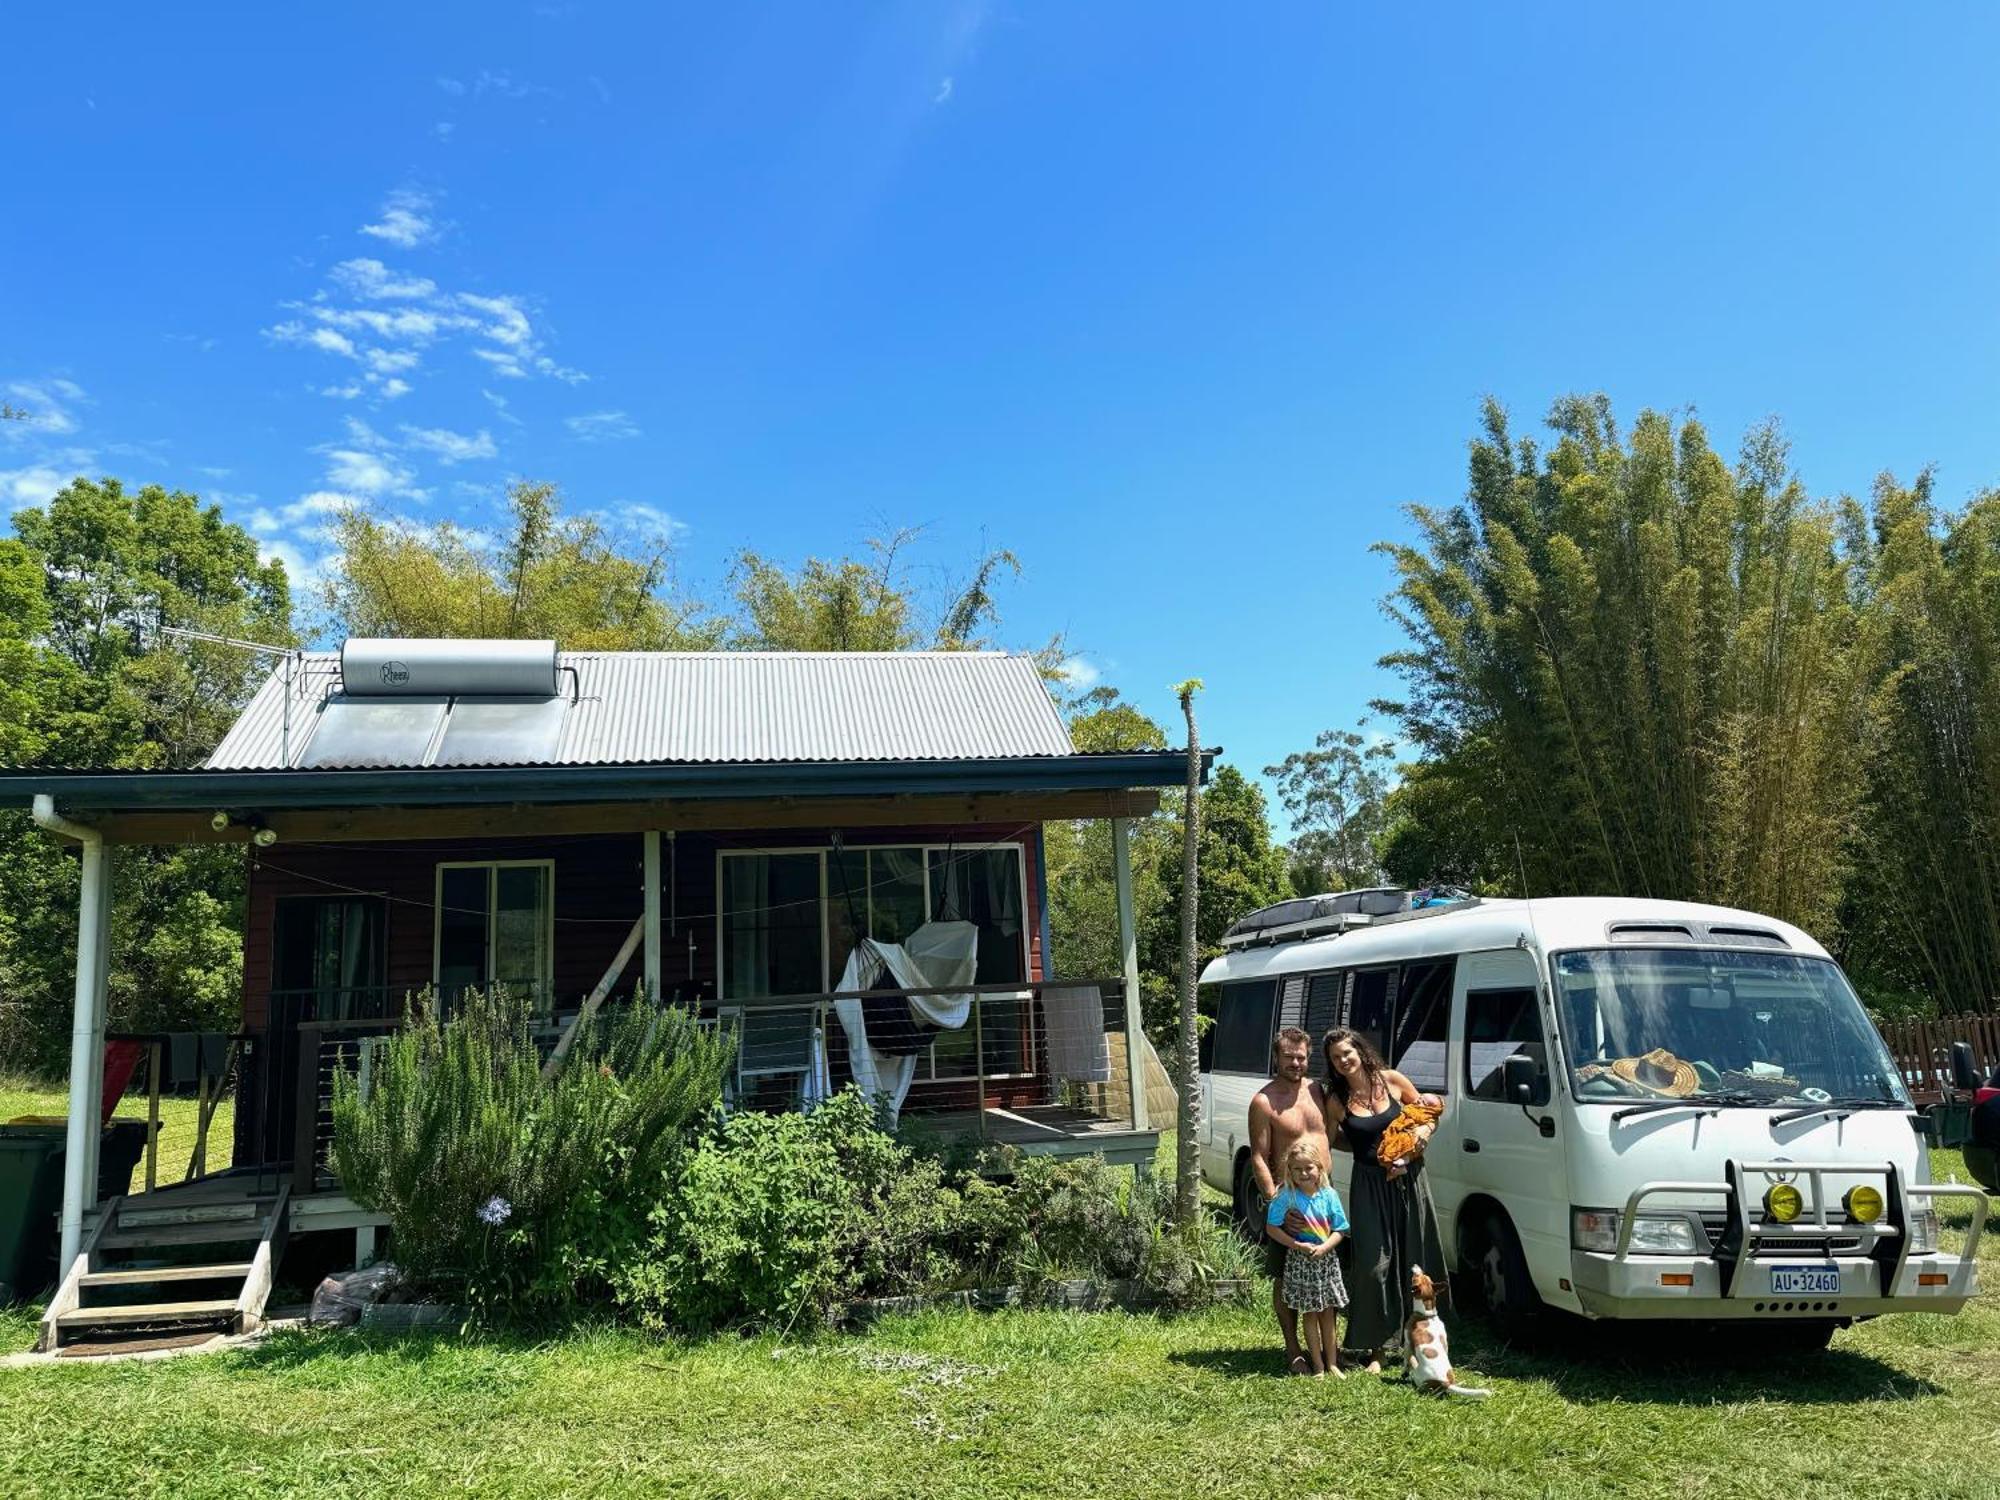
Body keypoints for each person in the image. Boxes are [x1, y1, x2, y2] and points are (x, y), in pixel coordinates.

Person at [1321, 1026, 1447, 1373]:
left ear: (1360, 1050)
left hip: (1409, 1178)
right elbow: (1329, 1142)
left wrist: (1420, 1137)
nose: (1343, 1060)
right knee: (1373, 1267)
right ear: (1331, 1064)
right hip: (1369, 1185)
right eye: (1335, 1057)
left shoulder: (1392, 1080)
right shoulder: (1337, 1100)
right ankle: (1375, 1348)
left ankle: (1418, 1340)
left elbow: (1427, 1115)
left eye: (1347, 1052)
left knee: (1414, 1257)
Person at [1247, 1026, 1330, 1375]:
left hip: (1324, 1198)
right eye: (1289, 1056)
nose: (1296, 1062)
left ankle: (1327, 1351)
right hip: (1290, 1203)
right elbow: (1258, 1157)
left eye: (1301, 1056)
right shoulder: (1264, 1101)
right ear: (1276, 1057)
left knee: (1325, 1272)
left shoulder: (1317, 1091)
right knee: (1286, 1277)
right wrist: (1278, 1206)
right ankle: (1294, 1349)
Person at [1264, 1137, 1350, 1378]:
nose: (1304, 1173)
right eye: (1297, 1169)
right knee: (1310, 1314)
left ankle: (1332, 1361)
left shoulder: (1329, 1195)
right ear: (1289, 1171)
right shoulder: (1287, 1196)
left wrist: (1325, 1247)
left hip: (1326, 1261)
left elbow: (1340, 1228)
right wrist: (1296, 1245)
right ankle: (1318, 1365)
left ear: (1319, 1168)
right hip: (1301, 1262)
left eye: (1309, 1168)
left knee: (1328, 1313)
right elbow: (1272, 1227)